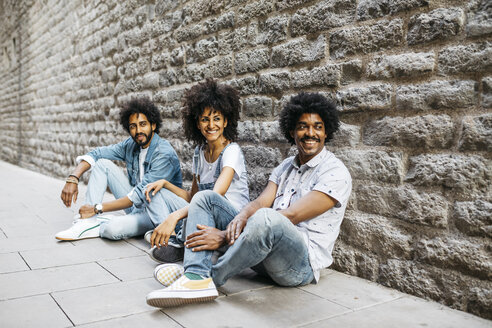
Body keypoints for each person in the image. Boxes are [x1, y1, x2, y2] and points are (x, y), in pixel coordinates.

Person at [145, 92, 352, 308]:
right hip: (262, 256)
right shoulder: (285, 167)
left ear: (326, 131)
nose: (310, 133)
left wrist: (225, 236)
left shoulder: (335, 172)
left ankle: (208, 278)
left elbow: (291, 215)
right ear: (292, 131)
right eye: (303, 126)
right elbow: (260, 202)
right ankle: (195, 273)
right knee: (206, 198)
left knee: (266, 219)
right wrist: (241, 217)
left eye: (317, 127)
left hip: (297, 267)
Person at [144, 79, 249, 263]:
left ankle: (184, 245)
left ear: (225, 121)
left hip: (231, 222)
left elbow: (212, 197)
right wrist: (165, 184)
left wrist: (174, 216)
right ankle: (178, 240)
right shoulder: (199, 153)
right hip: (205, 213)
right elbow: (192, 197)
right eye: (205, 119)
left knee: (203, 201)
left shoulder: (231, 151)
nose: (211, 125)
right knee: (154, 192)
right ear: (197, 124)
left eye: (216, 118)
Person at [55, 97, 183, 241]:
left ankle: (97, 218)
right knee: (103, 164)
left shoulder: (164, 154)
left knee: (111, 229)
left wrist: (98, 207)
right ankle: (87, 222)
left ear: (153, 125)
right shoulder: (131, 144)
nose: (138, 130)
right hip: (137, 206)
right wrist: (73, 178)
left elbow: (138, 195)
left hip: (157, 211)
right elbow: (97, 154)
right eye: (133, 126)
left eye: (143, 124)